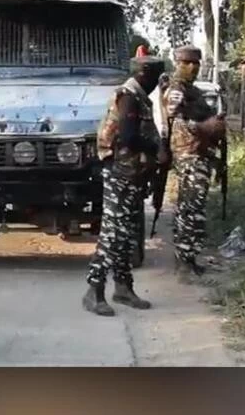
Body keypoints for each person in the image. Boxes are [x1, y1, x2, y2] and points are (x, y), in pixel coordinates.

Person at [83, 56, 166, 317]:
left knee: (127, 234)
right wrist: (155, 149)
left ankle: (123, 287)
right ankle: (94, 290)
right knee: (113, 234)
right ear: (144, 74)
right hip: (120, 173)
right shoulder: (128, 96)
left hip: (132, 174)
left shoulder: (138, 96)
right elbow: (129, 137)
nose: (156, 84)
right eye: (155, 78)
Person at [162, 46, 225, 279]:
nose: (193, 68)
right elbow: (175, 121)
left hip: (200, 153)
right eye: (187, 63)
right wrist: (205, 127)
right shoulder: (176, 89)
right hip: (188, 154)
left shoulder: (193, 91)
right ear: (178, 63)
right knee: (190, 208)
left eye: (196, 63)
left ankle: (188, 257)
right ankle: (184, 261)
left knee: (192, 208)